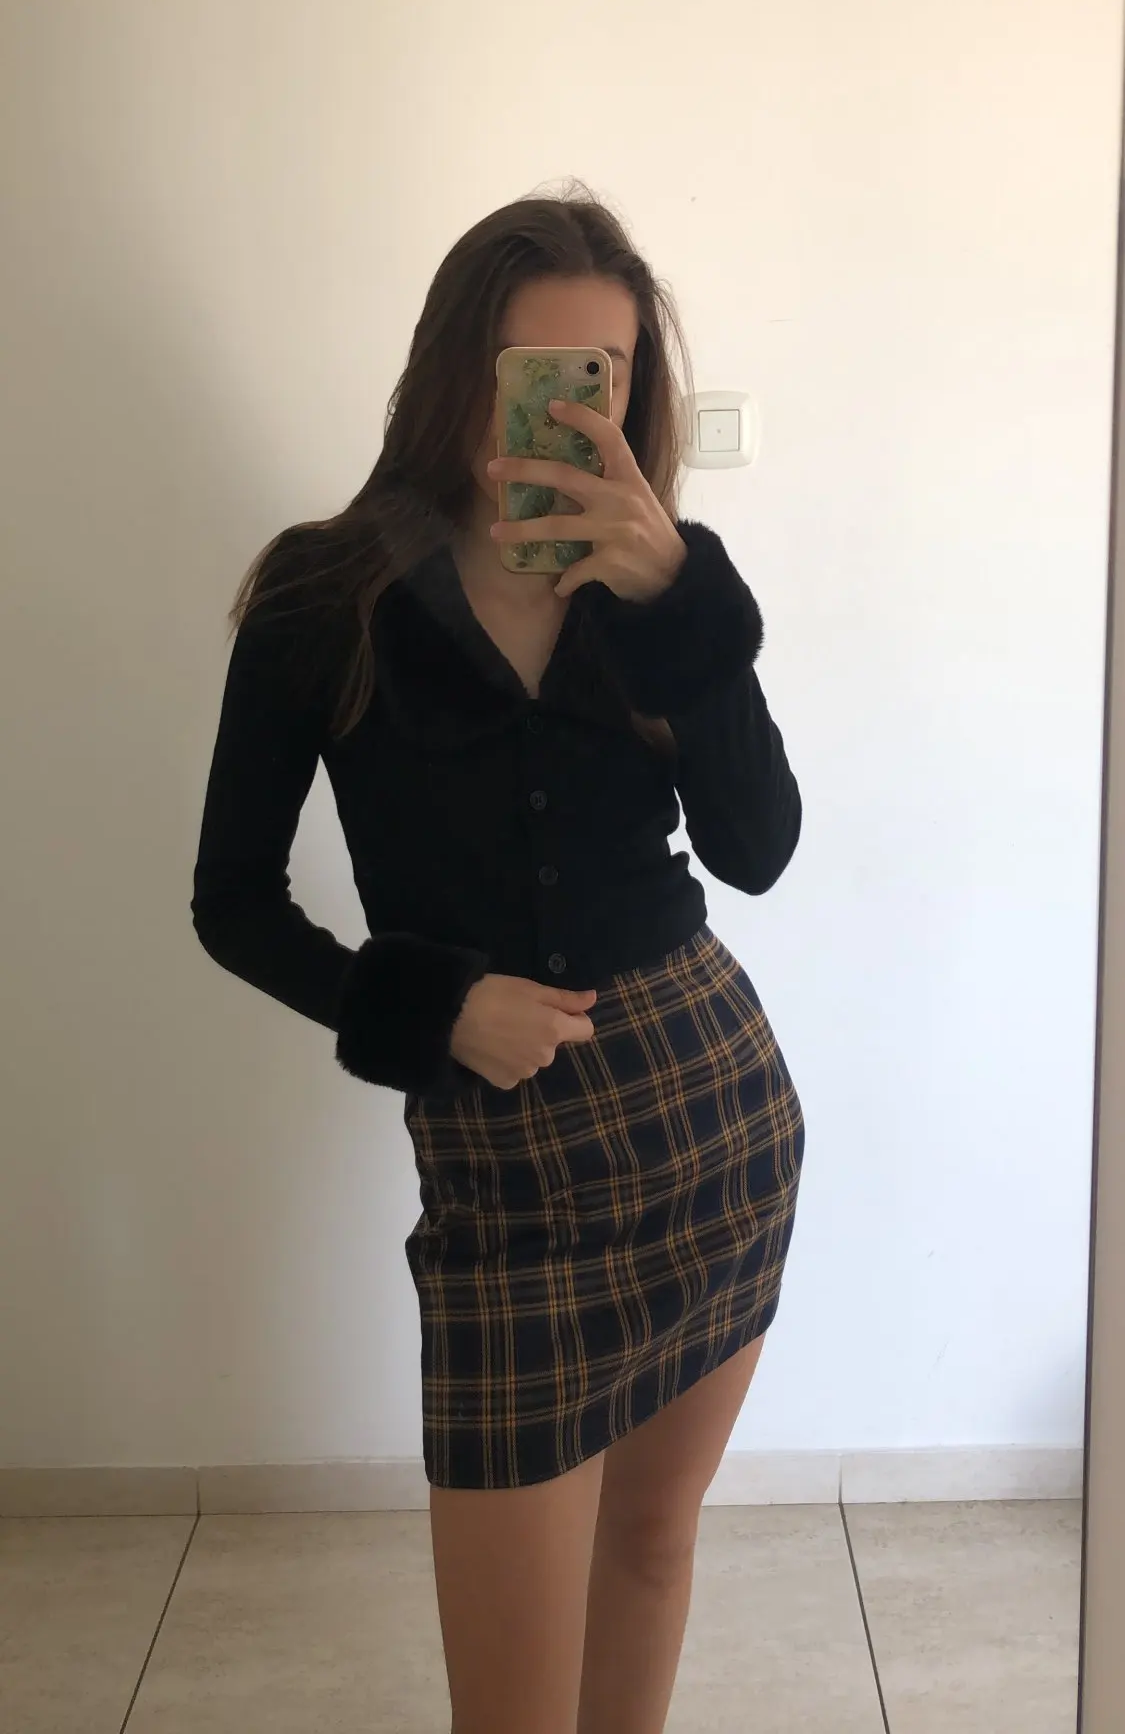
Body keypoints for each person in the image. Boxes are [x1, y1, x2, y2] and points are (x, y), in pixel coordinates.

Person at [192, 190, 805, 1734]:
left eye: (603, 379)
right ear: (453, 368)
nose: (564, 413)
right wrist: (431, 1005)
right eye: (533, 372)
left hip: (714, 1123)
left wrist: (676, 606)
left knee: (652, 1547)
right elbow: (233, 901)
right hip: (505, 1176)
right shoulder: (325, 595)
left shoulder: (661, 587)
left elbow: (758, 847)